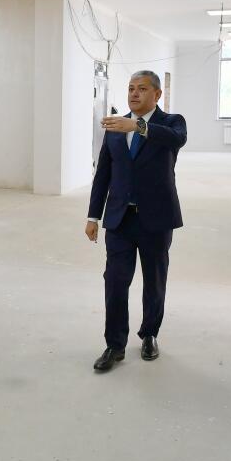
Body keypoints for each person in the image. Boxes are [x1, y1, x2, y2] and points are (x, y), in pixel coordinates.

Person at [85, 70, 187, 372]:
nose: (134, 93)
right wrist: (93, 216)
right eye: (131, 88)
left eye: (142, 89)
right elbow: (103, 174)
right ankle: (114, 344)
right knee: (115, 282)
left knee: (154, 281)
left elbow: (177, 139)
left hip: (156, 219)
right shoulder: (116, 127)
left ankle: (149, 334)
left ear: (157, 94)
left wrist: (138, 126)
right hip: (120, 219)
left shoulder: (171, 122)